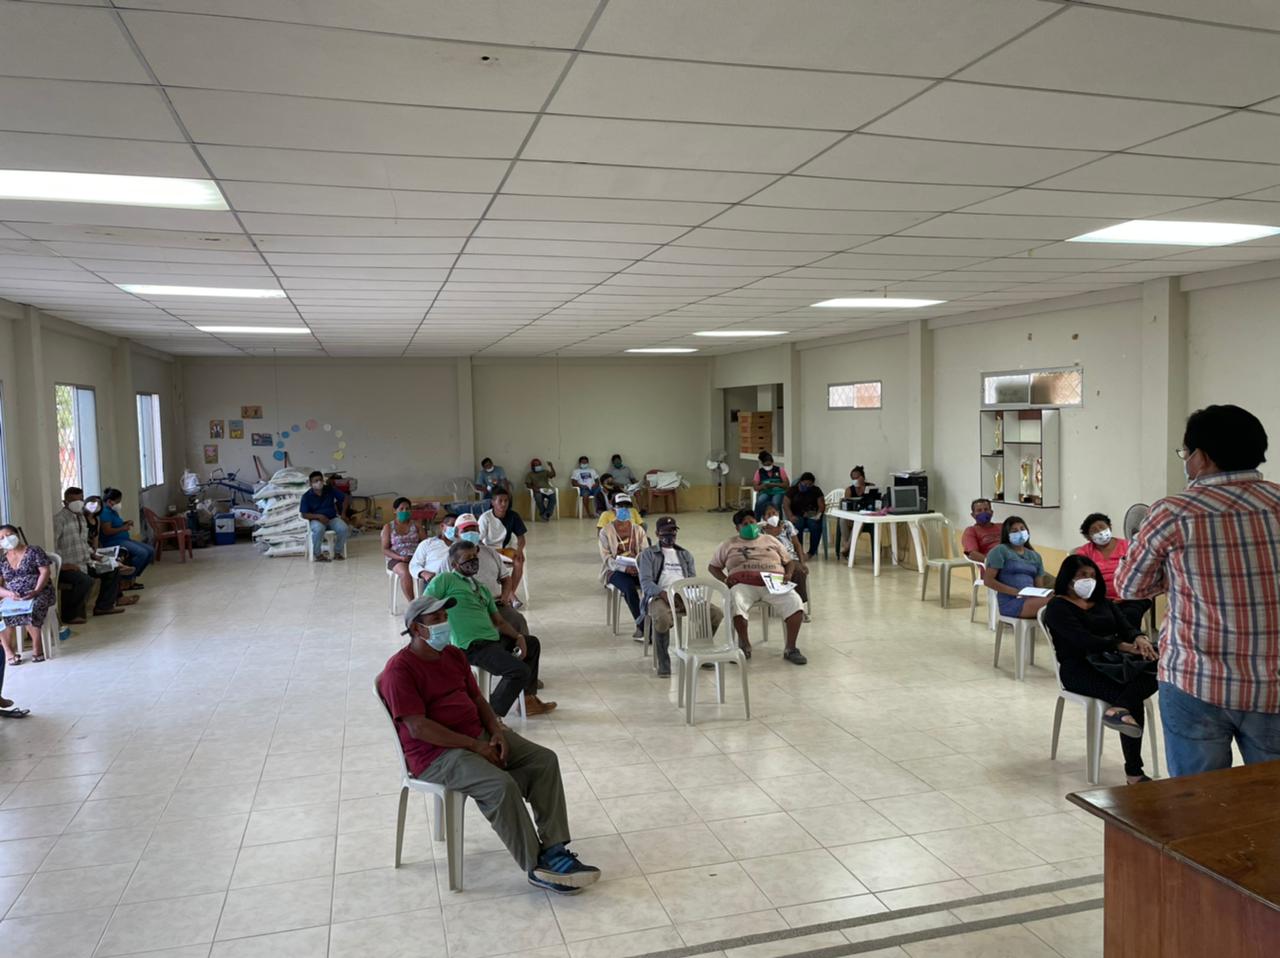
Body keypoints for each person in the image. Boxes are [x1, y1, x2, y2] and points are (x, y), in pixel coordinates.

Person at [377, 595, 594, 893]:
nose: (444, 623)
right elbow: (418, 727)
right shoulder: (399, 670)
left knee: (544, 760)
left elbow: (478, 699)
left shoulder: (453, 655)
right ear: (416, 629)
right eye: (436, 619)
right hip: (435, 755)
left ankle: (555, 849)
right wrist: (475, 745)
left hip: (476, 735)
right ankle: (537, 866)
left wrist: (496, 730)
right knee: (500, 786)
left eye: (445, 617)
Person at [1117, 404, 1280, 776]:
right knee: (1273, 799)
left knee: (1197, 799)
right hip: (1273, 683)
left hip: (1195, 680)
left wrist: (1176, 577)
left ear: (1202, 457)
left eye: (1185, 453)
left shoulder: (1173, 512)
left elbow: (1130, 585)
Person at [1044, 555, 1158, 784]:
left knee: (1161, 664)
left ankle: (1119, 708)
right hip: (1079, 668)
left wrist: (1140, 638)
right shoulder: (1057, 607)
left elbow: (1126, 627)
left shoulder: (1102, 602)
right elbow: (1082, 640)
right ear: (1068, 579)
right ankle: (1134, 772)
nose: (1089, 580)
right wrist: (1121, 646)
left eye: (1092, 575)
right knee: (1132, 697)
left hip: (1111, 661)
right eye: (1082, 576)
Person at [424, 540, 555, 716]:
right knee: (518, 671)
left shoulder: (481, 588)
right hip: (470, 645)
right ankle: (490, 715)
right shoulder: (445, 580)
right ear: (454, 564)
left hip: (491, 641)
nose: (473, 560)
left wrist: (518, 637)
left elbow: (499, 622)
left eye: (474, 556)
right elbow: (425, 603)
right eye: (467, 558)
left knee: (531, 644)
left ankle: (528, 699)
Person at [709, 510, 806, 664]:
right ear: (737, 528)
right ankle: (744, 644)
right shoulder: (729, 544)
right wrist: (725, 579)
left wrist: (788, 574)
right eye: (745, 524)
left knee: (795, 602)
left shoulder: (770, 540)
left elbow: (789, 561)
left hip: (773, 582)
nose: (750, 526)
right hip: (743, 584)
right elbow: (713, 567)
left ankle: (791, 648)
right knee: (736, 602)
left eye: (752, 522)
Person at [637, 517, 724, 677]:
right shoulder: (648, 554)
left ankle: (700, 650)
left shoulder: (685, 555)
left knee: (715, 613)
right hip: (659, 595)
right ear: (657, 533)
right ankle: (664, 660)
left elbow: (692, 580)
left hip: (684, 595)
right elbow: (646, 583)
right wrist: (664, 594)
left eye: (673, 531)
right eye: (665, 531)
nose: (670, 535)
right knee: (662, 618)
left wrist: (687, 594)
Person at [53, 487, 125, 624]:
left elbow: (83, 542)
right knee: (85, 580)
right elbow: (53, 545)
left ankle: (104, 606)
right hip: (68, 566)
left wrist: (93, 555)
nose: (78, 503)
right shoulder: (59, 520)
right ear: (65, 502)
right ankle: (70, 615)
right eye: (73, 500)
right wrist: (62, 565)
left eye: (80, 499)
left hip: (85, 562)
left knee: (112, 569)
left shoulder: (81, 517)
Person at [1073, 513, 1152, 632]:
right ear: (1089, 537)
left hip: (1133, 596)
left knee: (1129, 615)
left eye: (1102, 527)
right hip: (1101, 598)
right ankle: (1113, 641)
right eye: (1094, 530)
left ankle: (1132, 641)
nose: (1100, 532)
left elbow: (1142, 571)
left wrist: (1126, 595)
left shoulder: (1129, 546)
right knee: (1099, 619)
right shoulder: (1085, 552)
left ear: (1109, 526)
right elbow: (1081, 577)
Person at [0, 526, 55, 665]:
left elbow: (45, 572)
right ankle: (8, 652)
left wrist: (36, 591)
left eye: (9, 534)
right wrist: (9, 594)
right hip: (13, 597)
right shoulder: (2, 560)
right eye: (2, 538)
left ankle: (37, 648)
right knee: (1, 613)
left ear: (16, 535)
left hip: (40, 591)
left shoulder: (34, 551)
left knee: (34, 607)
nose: (6, 539)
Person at [983, 516, 1053, 619]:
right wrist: (1016, 592)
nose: (1020, 532)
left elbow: (1039, 586)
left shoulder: (1035, 556)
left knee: (1064, 601)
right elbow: (988, 581)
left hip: (1032, 598)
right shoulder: (1000, 551)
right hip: (1012, 601)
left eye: (1022, 529)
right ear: (1007, 534)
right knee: (1057, 604)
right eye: (1014, 531)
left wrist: (1044, 593)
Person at [599, 494, 648, 638]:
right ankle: (642, 625)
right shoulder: (605, 531)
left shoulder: (638, 530)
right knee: (629, 588)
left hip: (637, 568)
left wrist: (637, 566)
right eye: (620, 506)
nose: (624, 509)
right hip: (615, 570)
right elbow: (606, 558)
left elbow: (645, 553)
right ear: (614, 509)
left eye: (627, 506)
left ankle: (652, 622)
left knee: (650, 585)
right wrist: (624, 568)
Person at [761, 503, 811, 622]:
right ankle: (778, 603)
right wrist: (772, 534)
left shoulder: (787, 525)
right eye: (769, 514)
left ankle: (799, 608)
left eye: (774, 513)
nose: (772, 516)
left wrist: (802, 562)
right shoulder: (761, 529)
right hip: (772, 560)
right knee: (773, 574)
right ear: (764, 517)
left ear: (779, 514)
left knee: (799, 571)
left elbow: (797, 545)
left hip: (791, 558)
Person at [99, 488, 155, 588]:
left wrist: (126, 523)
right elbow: (107, 531)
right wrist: (123, 528)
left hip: (124, 539)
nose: (119, 504)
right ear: (110, 501)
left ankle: (133, 576)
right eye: (117, 502)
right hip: (113, 541)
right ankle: (126, 579)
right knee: (142, 553)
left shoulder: (113, 511)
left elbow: (116, 524)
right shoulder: (105, 512)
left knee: (150, 551)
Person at [478, 490, 528, 597]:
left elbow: (521, 538)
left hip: (504, 550)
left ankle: (510, 593)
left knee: (519, 560)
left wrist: (519, 551)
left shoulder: (513, 516)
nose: (503, 504)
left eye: (506, 501)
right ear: (493, 502)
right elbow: (478, 540)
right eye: (500, 501)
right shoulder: (485, 518)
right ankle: (509, 595)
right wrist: (486, 552)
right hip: (489, 550)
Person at [300, 470, 349, 561]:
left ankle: (337, 552)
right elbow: (304, 514)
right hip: (316, 520)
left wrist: (343, 514)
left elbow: (345, 498)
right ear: (310, 483)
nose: (319, 482)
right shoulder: (306, 496)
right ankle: (318, 555)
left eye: (320, 480)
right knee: (318, 529)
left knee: (343, 528)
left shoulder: (329, 489)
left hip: (332, 518)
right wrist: (319, 516)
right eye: (316, 481)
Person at [382, 497, 424, 602]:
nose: (405, 511)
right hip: (396, 558)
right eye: (401, 509)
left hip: (416, 557)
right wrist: (400, 557)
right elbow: (385, 549)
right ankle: (413, 603)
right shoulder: (388, 527)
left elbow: (425, 543)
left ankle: (426, 600)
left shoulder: (417, 525)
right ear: (395, 511)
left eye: (407, 509)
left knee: (432, 568)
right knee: (405, 572)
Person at [838, 466, 878, 559]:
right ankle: (848, 547)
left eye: (857, 478)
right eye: (853, 478)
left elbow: (874, 502)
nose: (855, 480)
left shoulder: (870, 487)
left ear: (862, 477)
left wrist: (863, 487)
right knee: (842, 520)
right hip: (851, 517)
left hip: (865, 518)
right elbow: (846, 506)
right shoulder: (849, 490)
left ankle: (847, 548)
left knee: (859, 521)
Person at [782, 472, 825, 557]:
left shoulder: (816, 490)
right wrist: (790, 516)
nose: (807, 486)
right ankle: (799, 551)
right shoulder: (792, 490)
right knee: (798, 525)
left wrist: (818, 516)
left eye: (810, 485)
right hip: (796, 514)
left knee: (815, 526)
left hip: (811, 514)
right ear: (800, 482)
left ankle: (811, 552)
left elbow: (821, 505)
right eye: (805, 484)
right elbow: (785, 505)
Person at [410, 514, 456, 589]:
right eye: (452, 525)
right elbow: (414, 565)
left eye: (457, 527)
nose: (455, 529)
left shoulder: (462, 544)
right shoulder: (427, 543)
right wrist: (424, 573)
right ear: (442, 526)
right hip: (434, 582)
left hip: (456, 582)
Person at [752, 451, 790, 520]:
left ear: (772, 462)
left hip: (778, 492)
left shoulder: (780, 470)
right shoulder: (759, 472)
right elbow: (755, 487)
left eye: (769, 464)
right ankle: (756, 521)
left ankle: (778, 522)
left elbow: (787, 484)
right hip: (765, 492)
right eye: (766, 465)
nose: (768, 467)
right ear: (762, 463)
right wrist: (763, 486)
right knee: (760, 502)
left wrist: (774, 485)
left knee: (776, 503)